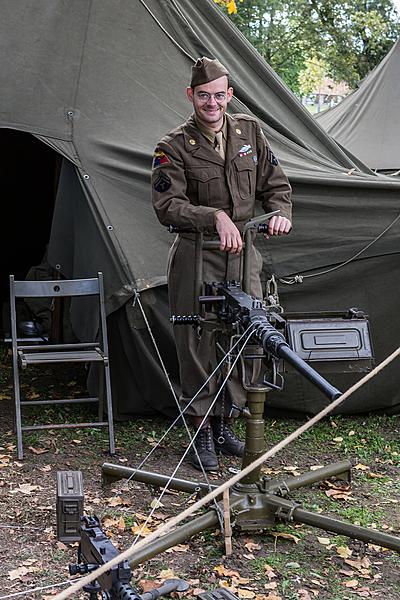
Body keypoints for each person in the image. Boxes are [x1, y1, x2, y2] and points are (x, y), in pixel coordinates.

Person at [152, 57, 292, 471]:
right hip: (197, 257)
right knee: (197, 344)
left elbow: (276, 184)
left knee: (239, 339)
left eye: (219, 95)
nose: (212, 103)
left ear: (229, 95)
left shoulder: (249, 132)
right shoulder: (172, 146)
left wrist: (281, 211)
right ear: (190, 96)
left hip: (244, 255)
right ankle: (200, 433)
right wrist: (212, 216)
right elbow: (167, 205)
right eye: (203, 96)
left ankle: (224, 424)